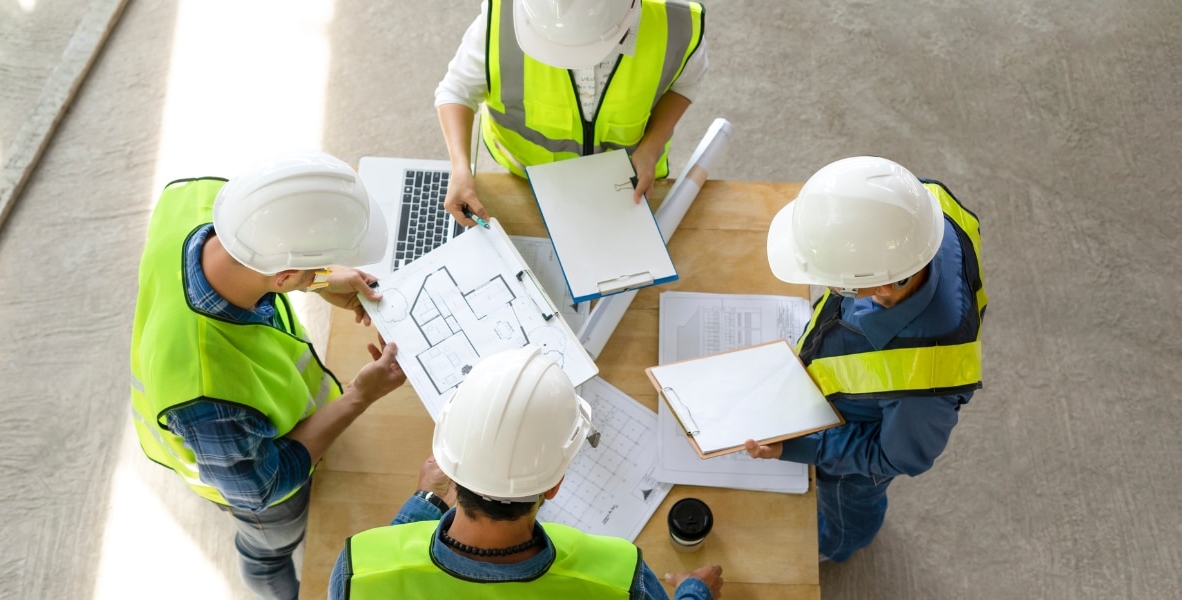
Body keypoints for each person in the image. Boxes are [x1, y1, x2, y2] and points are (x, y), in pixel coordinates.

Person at [129, 150, 407, 599]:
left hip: (234, 408)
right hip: (252, 481)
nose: (327, 271)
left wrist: (320, 280)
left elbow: (262, 263)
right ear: (283, 276)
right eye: (317, 267)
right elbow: (262, 488)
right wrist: (358, 395)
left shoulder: (206, 202)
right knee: (268, 551)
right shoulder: (207, 395)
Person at [328, 346, 723, 599]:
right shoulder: (618, 575)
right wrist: (695, 592)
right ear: (554, 485)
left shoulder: (359, 569)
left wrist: (425, 503)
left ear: (449, 461)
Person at [745, 156, 987, 563]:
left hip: (850, 459)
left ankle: (838, 546)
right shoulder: (920, 209)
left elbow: (896, 457)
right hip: (846, 379)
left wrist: (800, 444)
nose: (828, 287)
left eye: (836, 281)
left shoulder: (925, 377)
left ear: (884, 284)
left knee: (847, 510)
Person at [435, 0, 708, 227]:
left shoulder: (677, 26)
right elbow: (457, 90)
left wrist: (651, 148)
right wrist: (460, 169)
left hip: (624, 186)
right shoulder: (501, 18)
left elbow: (686, 82)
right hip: (525, 178)